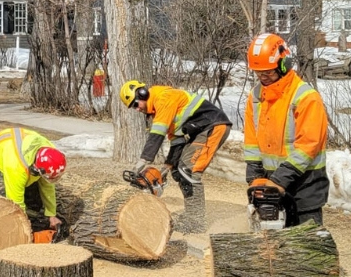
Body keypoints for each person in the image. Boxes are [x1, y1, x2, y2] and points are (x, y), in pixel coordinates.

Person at [119, 80, 232, 233]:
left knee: (189, 170)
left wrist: (143, 160)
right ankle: (191, 215)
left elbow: (157, 134)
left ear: (142, 94)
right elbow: (177, 141)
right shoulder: (158, 109)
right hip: (199, 130)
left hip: (213, 126)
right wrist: (168, 166)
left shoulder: (163, 98)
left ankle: (196, 221)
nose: (136, 109)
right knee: (179, 172)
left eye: (135, 104)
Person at [244, 33, 329, 227]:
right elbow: (251, 141)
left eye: (268, 72)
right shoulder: (256, 96)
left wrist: (279, 180)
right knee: (273, 246)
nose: (263, 77)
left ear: (284, 65)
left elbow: (309, 145)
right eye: (258, 72)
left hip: (305, 183)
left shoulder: (305, 97)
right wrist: (255, 176)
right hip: (270, 180)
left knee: (308, 245)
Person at [0, 128, 67, 232]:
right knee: (4, 190)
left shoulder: (50, 153)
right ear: (36, 168)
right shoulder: (16, 166)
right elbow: (15, 201)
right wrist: (23, 226)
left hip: (16, 145)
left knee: (31, 190)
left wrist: (51, 215)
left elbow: (47, 186)